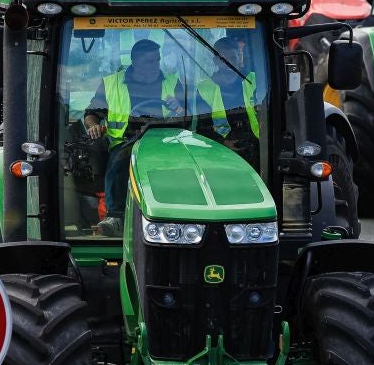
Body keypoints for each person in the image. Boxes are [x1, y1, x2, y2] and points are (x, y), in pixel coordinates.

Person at [83, 39, 184, 234]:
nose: (156, 65)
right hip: (125, 141)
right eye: (150, 61)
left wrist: (179, 108)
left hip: (165, 141)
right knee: (120, 161)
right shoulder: (111, 83)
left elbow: (189, 114)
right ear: (135, 61)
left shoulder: (173, 82)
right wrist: (94, 125)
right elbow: (91, 114)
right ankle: (115, 216)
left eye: (157, 60)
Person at [197, 37, 259, 165]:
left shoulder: (254, 80)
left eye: (233, 58)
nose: (229, 63)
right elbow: (201, 126)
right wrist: (222, 142)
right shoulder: (204, 88)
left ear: (239, 58)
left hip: (258, 147)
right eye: (223, 59)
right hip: (219, 151)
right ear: (215, 61)